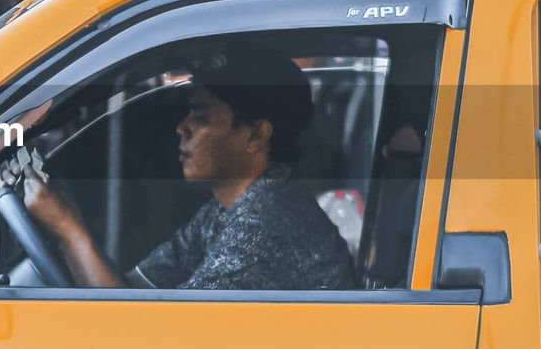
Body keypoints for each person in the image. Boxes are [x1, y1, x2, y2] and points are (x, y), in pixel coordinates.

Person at [18, 49, 355, 290]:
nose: (181, 129)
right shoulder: (227, 209)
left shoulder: (265, 226)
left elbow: (139, 334)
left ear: (255, 134)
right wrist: (64, 231)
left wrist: (68, 229)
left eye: (201, 117)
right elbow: (132, 292)